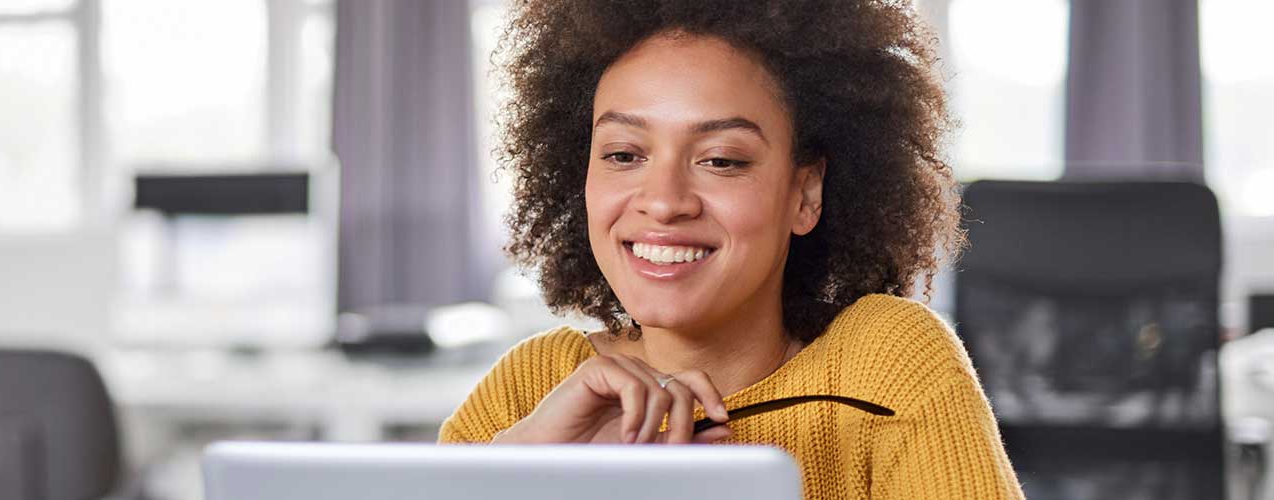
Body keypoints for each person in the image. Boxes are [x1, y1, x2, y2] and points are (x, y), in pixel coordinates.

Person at [438, 0, 1024, 498]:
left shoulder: (887, 367)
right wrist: (518, 476)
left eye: (721, 160)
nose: (664, 202)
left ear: (804, 194)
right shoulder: (530, 391)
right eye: (623, 155)